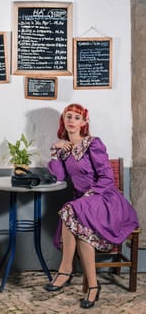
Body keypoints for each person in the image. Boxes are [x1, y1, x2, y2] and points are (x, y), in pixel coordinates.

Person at [44, 103, 139, 309]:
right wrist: (55, 151)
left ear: (84, 122)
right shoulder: (65, 150)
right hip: (82, 203)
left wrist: (88, 196)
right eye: (68, 116)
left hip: (104, 198)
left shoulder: (93, 144)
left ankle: (65, 270)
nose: (72, 120)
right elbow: (59, 176)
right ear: (63, 121)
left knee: (70, 210)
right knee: (81, 229)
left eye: (77, 117)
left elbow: (107, 177)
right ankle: (93, 287)